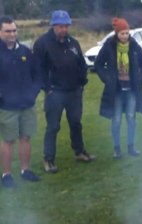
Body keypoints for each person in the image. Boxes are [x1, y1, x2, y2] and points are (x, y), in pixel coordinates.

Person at [33, 9, 95, 174]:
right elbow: (38, 70)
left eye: (66, 26)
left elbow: (82, 64)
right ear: (53, 25)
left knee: (76, 123)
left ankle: (79, 152)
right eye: (61, 26)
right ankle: (49, 158)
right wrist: (47, 88)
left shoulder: (73, 42)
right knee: (53, 126)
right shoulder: (42, 44)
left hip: (74, 91)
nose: (64, 30)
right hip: (55, 93)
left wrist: (82, 82)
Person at [94, 18, 142, 159]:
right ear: (116, 33)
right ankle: (117, 148)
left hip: (131, 89)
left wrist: (141, 79)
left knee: (131, 118)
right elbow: (98, 64)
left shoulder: (134, 46)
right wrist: (107, 79)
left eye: (127, 33)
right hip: (116, 90)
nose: (125, 36)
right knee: (116, 119)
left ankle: (131, 146)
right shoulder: (109, 46)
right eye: (122, 33)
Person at [0, 16, 41, 188]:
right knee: (8, 140)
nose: (12, 34)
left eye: (14, 30)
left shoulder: (25, 51)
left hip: (27, 104)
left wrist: (33, 93)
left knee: (26, 137)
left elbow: (37, 75)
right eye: (8, 31)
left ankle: (25, 170)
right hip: (7, 106)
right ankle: (7, 174)